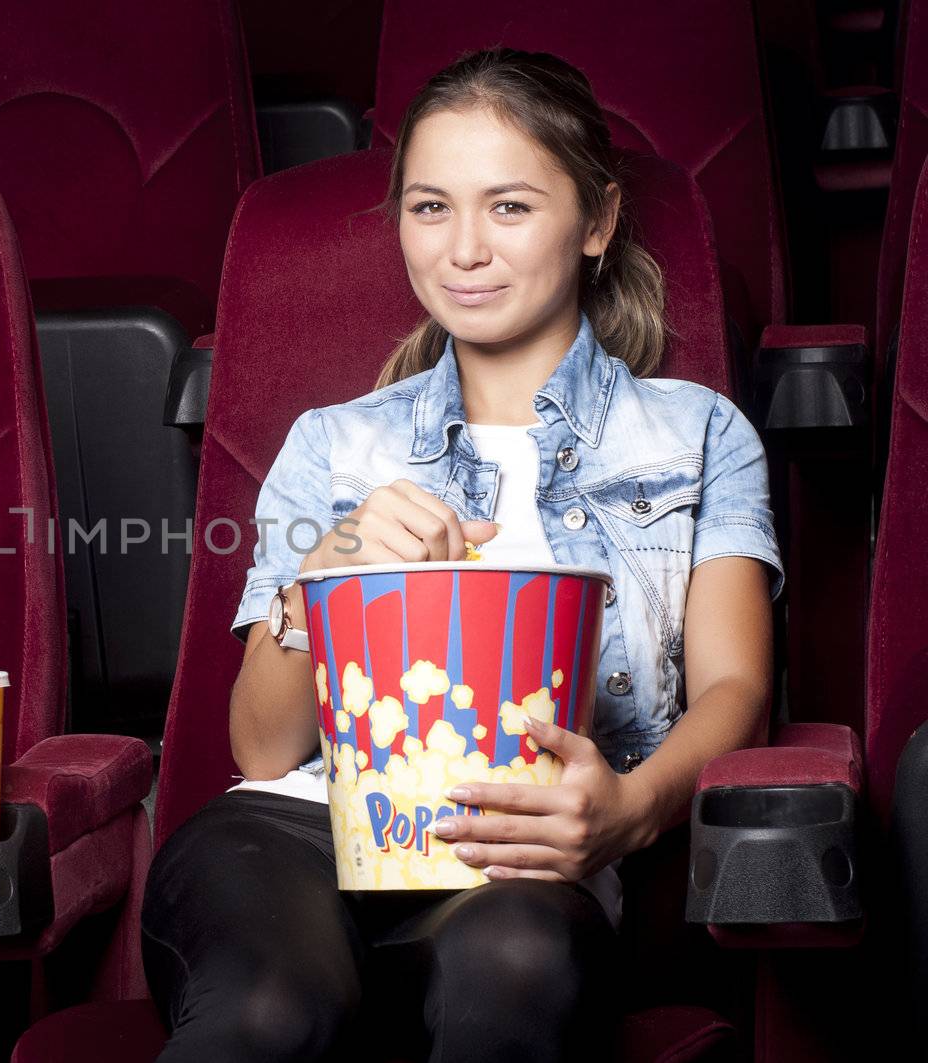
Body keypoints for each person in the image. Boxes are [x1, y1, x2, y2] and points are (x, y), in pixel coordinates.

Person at [139, 47, 783, 1063]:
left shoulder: (698, 435)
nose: (464, 249)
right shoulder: (333, 443)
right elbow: (260, 749)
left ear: (598, 221)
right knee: (269, 1010)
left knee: (513, 968)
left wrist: (625, 810)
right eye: (430, 207)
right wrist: (327, 574)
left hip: (525, 854)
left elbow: (735, 687)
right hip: (296, 837)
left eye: (510, 207)